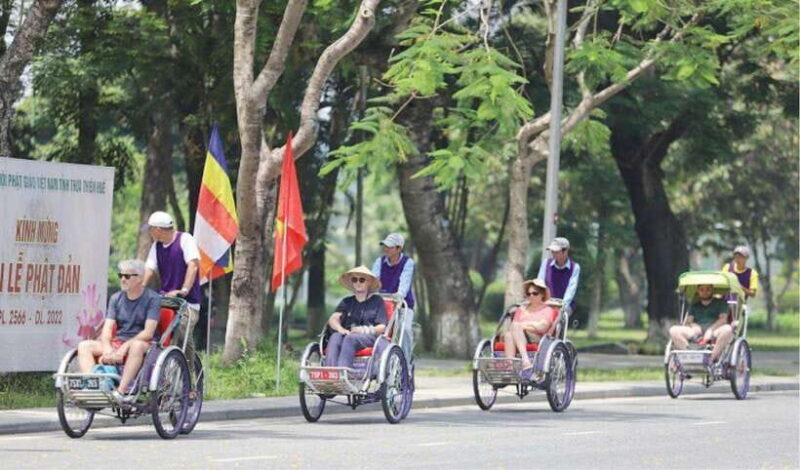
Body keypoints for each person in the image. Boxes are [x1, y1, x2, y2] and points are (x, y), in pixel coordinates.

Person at [76, 259, 161, 403]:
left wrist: (124, 347)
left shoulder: (152, 299)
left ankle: (121, 392)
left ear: (140, 278)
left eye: (127, 276)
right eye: (120, 275)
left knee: (136, 345)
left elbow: (148, 333)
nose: (123, 279)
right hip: (118, 341)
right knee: (84, 346)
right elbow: (107, 329)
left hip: (144, 343)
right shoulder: (116, 298)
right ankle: (94, 387)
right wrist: (108, 349)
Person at [142, 211, 200, 383]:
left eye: (151, 229)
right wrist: (140, 289)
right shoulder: (157, 246)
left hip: (187, 303)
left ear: (158, 229)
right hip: (165, 301)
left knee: (182, 331)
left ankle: (189, 378)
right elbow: (149, 269)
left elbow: (193, 265)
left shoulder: (185, 239)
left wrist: (184, 289)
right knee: (148, 327)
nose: (150, 233)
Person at [325, 266, 388, 371]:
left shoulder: (377, 301)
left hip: (369, 336)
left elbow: (382, 327)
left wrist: (362, 330)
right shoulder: (347, 301)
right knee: (335, 336)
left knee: (351, 338)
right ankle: (330, 373)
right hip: (347, 334)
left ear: (369, 282)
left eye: (362, 280)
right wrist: (341, 329)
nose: (358, 283)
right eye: (354, 280)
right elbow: (333, 319)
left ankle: (344, 373)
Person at [502, 279, 559, 376]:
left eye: (535, 293)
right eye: (528, 294)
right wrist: (531, 324)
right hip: (519, 335)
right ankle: (511, 367)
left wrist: (523, 326)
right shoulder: (521, 309)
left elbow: (542, 327)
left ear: (542, 294)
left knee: (515, 327)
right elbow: (513, 326)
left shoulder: (547, 310)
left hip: (538, 338)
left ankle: (525, 361)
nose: (531, 296)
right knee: (508, 334)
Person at [371, 232, 415, 358]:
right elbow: (374, 280)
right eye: (384, 246)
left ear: (399, 248)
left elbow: (404, 283)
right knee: (376, 329)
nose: (386, 249)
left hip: (402, 305)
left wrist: (399, 295)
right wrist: (371, 289)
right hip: (383, 303)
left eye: (390, 246)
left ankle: (406, 361)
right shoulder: (379, 262)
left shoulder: (408, 262)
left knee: (404, 330)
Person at [669, 284, 733, 369]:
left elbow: (723, 320)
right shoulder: (694, 305)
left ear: (712, 290)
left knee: (727, 329)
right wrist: (694, 325)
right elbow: (688, 322)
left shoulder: (721, 303)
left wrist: (710, 330)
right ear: (698, 291)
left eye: (708, 289)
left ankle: (711, 359)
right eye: (702, 290)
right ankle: (691, 358)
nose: (705, 292)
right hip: (696, 333)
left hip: (715, 330)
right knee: (674, 330)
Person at [537, 237, 580, 314]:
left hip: (565, 304)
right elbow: (540, 283)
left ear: (565, 251)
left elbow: (571, 290)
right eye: (552, 251)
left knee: (556, 318)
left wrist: (562, 306)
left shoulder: (575, 267)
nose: (553, 254)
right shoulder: (546, 263)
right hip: (547, 302)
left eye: (556, 252)